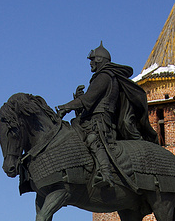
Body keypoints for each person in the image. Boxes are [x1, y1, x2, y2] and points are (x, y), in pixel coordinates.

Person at [57, 42, 158, 188]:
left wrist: (66, 107)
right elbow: (89, 102)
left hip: (100, 121)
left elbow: (88, 100)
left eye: (92, 60)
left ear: (99, 60)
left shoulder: (104, 76)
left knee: (93, 139)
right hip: (92, 118)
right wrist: (78, 100)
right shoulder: (101, 76)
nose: (90, 63)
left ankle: (105, 173)